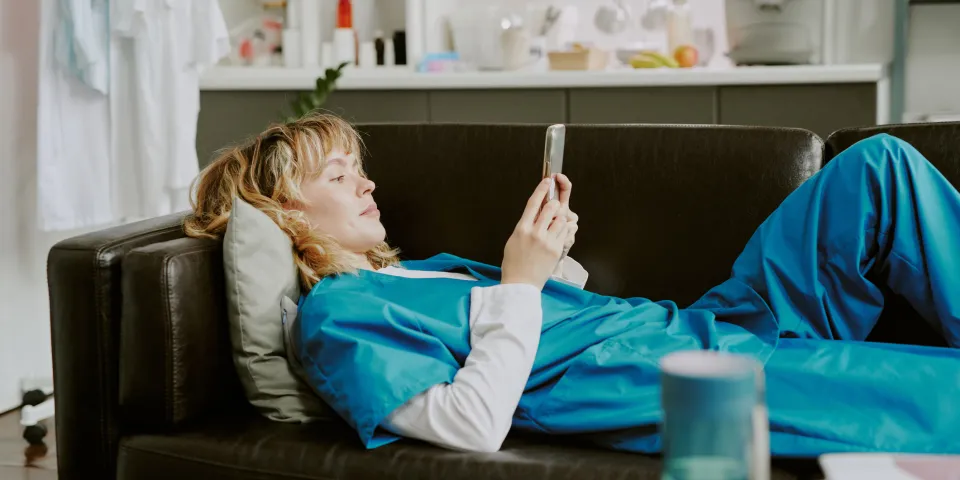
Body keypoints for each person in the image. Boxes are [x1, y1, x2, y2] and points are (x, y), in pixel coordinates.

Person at [185, 113, 960, 458]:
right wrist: (522, 282)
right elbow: (470, 424)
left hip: (695, 321)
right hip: (670, 377)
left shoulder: (413, 271)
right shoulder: (335, 316)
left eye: (359, 166)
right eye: (339, 173)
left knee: (877, 170)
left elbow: (535, 322)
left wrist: (550, 260)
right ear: (285, 210)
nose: (366, 181)